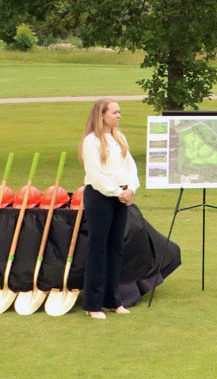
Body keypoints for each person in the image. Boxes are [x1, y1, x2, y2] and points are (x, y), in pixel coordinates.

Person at [79, 98, 140, 319]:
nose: (118, 116)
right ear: (101, 115)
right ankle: (92, 304)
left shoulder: (119, 138)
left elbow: (130, 166)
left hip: (121, 197)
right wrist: (117, 191)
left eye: (119, 112)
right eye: (114, 112)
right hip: (100, 197)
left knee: (116, 248)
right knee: (99, 248)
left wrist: (131, 188)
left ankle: (113, 300)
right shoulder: (91, 141)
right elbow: (96, 174)